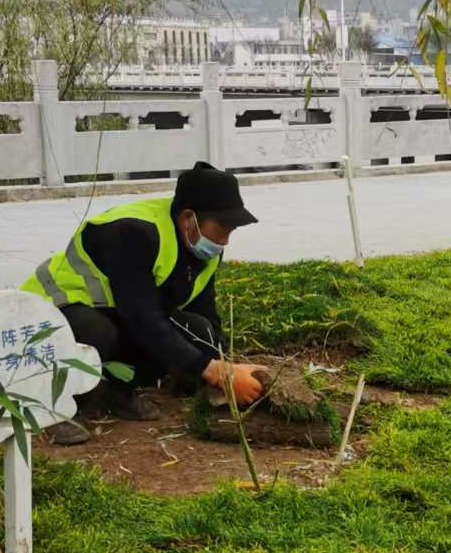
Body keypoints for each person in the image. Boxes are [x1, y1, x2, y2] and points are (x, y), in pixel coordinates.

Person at [22, 161, 267, 424]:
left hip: (117, 311)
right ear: (188, 219)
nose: (225, 240)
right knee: (99, 333)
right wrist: (214, 371)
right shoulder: (131, 233)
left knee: (197, 331)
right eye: (221, 230)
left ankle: (115, 392)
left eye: (230, 232)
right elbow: (142, 318)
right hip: (50, 314)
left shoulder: (201, 247)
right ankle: (64, 404)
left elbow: (205, 313)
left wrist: (225, 365)